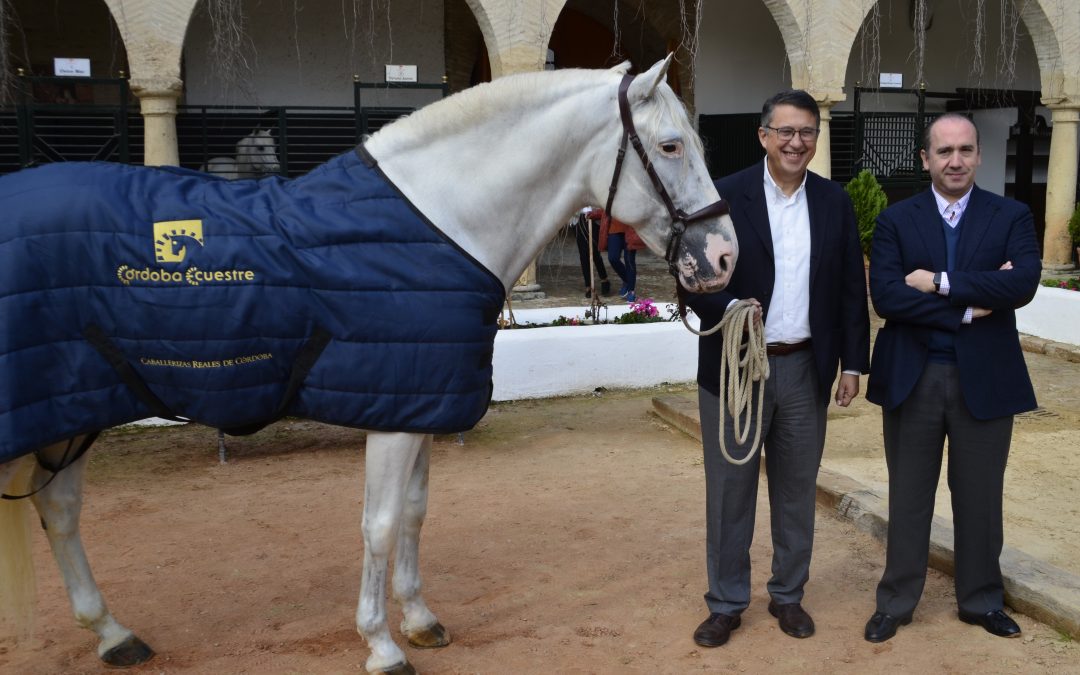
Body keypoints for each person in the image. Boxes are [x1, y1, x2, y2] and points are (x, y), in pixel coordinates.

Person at [683, 90, 870, 647]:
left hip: (805, 367)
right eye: (785, 131)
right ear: (763, 136)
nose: (796, 142)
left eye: (807, 132)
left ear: (816, 138)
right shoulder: (724, 194)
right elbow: (692, 275)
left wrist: (853, 365)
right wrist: (733, 310)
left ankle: (788, 595)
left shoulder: (834, 202)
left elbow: (848, 293)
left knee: (796, 492)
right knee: (729, 492)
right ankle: (725, 602)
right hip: (736, 371)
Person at [862, 113, 1041, 643]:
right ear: (925, 159)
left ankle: (981, 601)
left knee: (981, 497)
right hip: (913, 378)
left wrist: (939, 282)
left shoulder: (1011, 216)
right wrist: (968, 306)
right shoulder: (898, 219)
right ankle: (895, 602)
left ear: (979, 156)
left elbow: (1023, 284)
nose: (955, 160)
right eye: (944, 151)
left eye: (965, 150)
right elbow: (888, 296)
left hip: (985, 379)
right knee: (909, 495)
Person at [594, 207, 645, 302]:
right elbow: (606, 206)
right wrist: (595, 213)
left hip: (630, 229)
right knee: (613, 258)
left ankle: (631, 291)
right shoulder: (611, 192)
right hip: (614, 229)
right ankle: (627, 280)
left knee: (629, 260)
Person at [574, 207, 610, 298]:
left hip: (593, 218)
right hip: (579, 220)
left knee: (594, 252)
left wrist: (595, 212)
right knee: (583, 255)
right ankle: (588, 285)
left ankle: (604, 279)